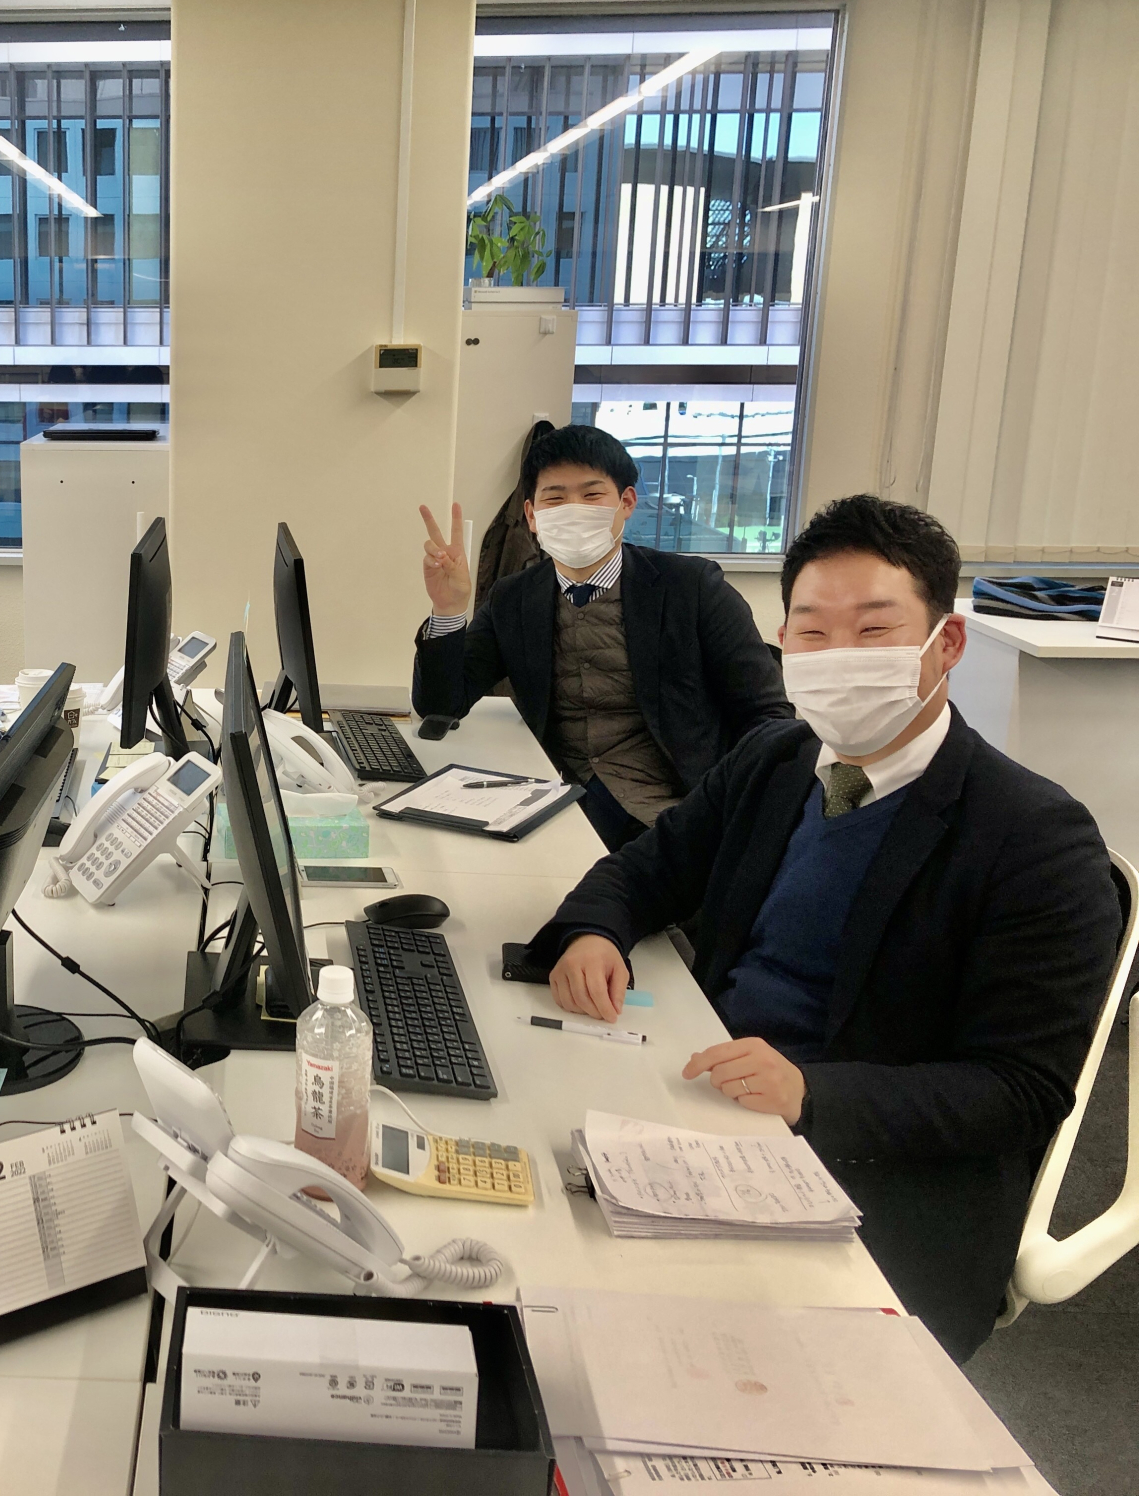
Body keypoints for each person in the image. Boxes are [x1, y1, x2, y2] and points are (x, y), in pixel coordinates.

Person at [531, 495, 1124, 1361]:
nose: (839, 657)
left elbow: (1021, 1090)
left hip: (869, 1170)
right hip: (705, 1096)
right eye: (812, 632)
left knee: (653, 1346)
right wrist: (595, 930)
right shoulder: (777, 759)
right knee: (530, 1229)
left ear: (947, 644)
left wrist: (813, 1094)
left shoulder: (1034, 837)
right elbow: (651, 866)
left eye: (875, 631)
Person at [413, 424, 791, 849]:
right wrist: (449, 611)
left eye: (592, 495)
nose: (574, 509)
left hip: (676, 807)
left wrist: (733, 809)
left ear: (626, 502)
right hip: (558, 798)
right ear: (532, 515)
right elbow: (441, 706)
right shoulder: (514, 597)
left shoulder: (692, 587)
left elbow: (767, 715)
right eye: (555, 498)